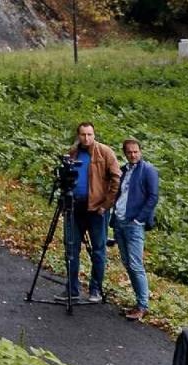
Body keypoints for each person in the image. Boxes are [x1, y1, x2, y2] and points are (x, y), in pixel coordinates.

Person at [63, 122, 122, 305]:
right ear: (78, 135)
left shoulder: (105, 152)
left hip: (97, 209)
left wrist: (106, 204)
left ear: (94, 135)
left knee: (98, 250)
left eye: (89, 134)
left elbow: (116, 179)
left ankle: (95, 288)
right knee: (71, 248)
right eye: (83, 134)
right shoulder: (73, 152)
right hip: (75, 207)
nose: (86, 138)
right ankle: (72, 289)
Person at [110, 139, 160, 321]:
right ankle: (138, 302)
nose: (133, 155)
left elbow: (153, 196)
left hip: (134, 223)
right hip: (120, 221)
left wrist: (140, 219)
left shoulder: (148, 170)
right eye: (129, 152)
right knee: (127, 262)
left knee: (136, 263)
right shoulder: (124, 171)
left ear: (140, 151)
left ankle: (143, 305)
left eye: (136, 152)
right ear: (125, 153)